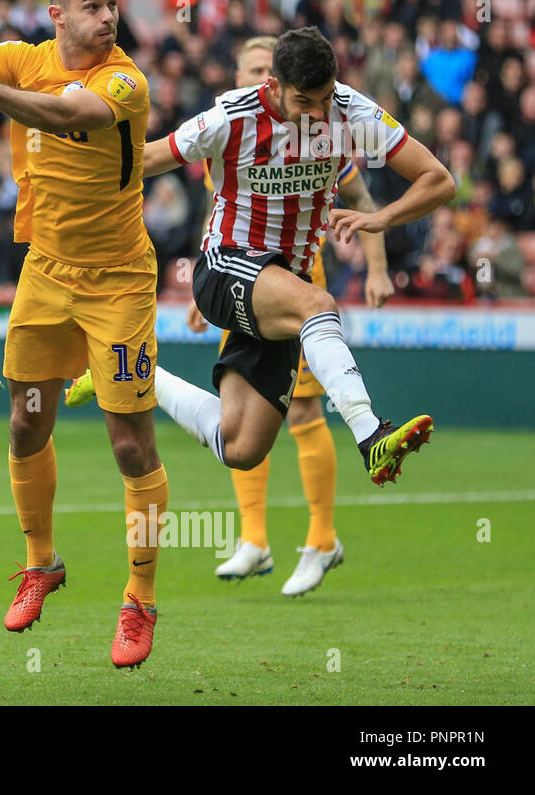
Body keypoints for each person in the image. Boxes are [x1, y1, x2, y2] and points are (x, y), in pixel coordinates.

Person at [70, 35, 397, 595]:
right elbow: (212, 207)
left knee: (262, 435)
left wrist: (378, 266)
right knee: (286, 409)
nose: (252, 80)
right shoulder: (231, 123)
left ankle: (319, 538)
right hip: (245, 278)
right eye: (246, 70)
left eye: (259, 70)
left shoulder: (325, 129)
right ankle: (262, 534)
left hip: (298, 280)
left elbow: (363, 199)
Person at [0, 0, 169, 669]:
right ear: (58, 15)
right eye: (93, 5)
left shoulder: (125, 82)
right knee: (24, 420)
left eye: (113, 5)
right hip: (45, 271)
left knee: (130, 445)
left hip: (120, 281)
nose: (108, 17)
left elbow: (66, 114)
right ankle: (42, 562)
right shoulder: (21, 58)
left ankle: (140, 598)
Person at [137, 26, 454, 507]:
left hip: (281, 284)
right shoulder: (231, 116)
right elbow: (150, 158)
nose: (319, 113)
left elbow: (439, 180)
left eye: (326, 97)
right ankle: (372, 437)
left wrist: (380, 218)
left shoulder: (351, 111)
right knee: (318, 304)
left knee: (242, 447)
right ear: (274, 88)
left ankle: (129, 369)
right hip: (224, 267)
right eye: (306, 100)